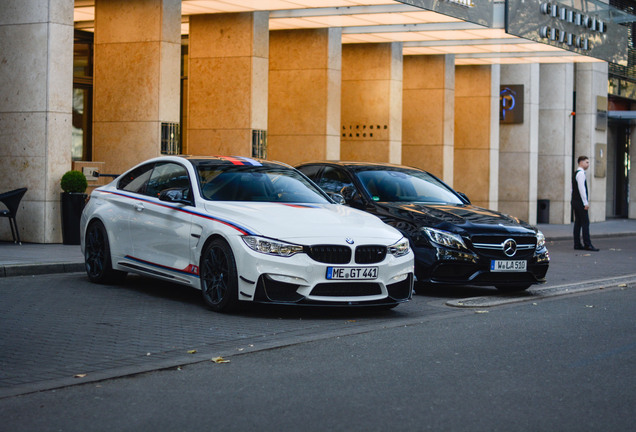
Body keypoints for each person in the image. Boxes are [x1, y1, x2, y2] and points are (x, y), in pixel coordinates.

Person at [572, 155, 599, 251]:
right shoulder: (581, 174)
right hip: (580, 202)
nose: (588, 164)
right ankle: (587, 244)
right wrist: (585, 202)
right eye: (586, 162)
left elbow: (572, 189)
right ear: (581, 162)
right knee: (585, 222)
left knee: (578, 222)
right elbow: (581, 189)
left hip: (575, 201)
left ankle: (577, 244)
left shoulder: (576, 173)